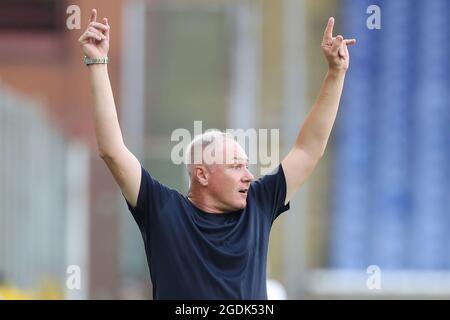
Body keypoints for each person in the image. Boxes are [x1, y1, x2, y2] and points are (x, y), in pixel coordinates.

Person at [78, 8, 356, 299]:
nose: (249, 176)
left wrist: (336, 74)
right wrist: (98, 62)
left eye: (246, 166)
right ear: (202, 174)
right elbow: (111, 150)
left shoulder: (258, 205)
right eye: (236, 166)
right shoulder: (164, 211)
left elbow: (308, 149)